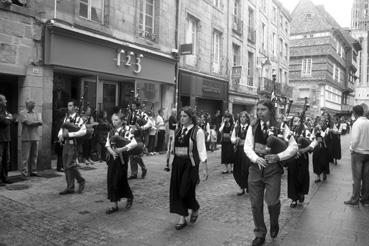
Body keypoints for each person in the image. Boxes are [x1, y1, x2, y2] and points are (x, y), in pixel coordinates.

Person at [244, 99, 298, 246]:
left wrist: (278, 156)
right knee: (255, 204)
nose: (259, 112)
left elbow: (293, 147)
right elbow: (247, 146)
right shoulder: (253, 126)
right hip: (255, 169)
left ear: (271, 111)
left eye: (263, 109)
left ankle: (274, 222)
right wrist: (255, 158)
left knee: (272, 202)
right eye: (258, 109)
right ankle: (260, 233)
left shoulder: (281, 126)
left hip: (273, 169)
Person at [169, 106, 208, 230]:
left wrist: (205, 168)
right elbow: (173, 148)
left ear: (191, 118)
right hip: (178, 163)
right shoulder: (178, 130)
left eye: (184, 116)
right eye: (180, 116)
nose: (181, 118)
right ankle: (182, 218)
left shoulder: (198, 131)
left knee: (184, 190)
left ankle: (194, 207)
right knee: (177, 189)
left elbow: (202, 150)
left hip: (190, 165)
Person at [105, 113, 137, 214]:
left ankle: (129, 196)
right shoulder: (111, 132)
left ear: (122, 121)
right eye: (113, 120)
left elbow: (134, 143)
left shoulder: (126, 131)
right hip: (112, 159)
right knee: (111, 180)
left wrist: (122, 149)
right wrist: (112, 152)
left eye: (116, 120)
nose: (114, 122)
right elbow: (107, 144)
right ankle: (114, 204)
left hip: (122, 160)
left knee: (120, 180)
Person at [287, 115, 317, 208]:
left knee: (301, 176)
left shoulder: (306, 130)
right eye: (294, 121)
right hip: (292, 158)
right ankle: (293, 199)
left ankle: (301, 193)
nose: (296, 123)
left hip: (302, 158)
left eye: (298, 121)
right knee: (292, 177)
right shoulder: (289, 131)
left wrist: (305, 149)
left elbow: (314, 141)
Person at [58, 99, 86, 195]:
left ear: (74, 107)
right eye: (68, 105)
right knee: (66, 166)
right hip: (66, 144)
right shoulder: (66, 117)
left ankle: (81, 180)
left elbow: (83, 131)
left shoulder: (79, 118)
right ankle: (70, 187)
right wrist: (60, 135)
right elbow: (62, 128)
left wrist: (70, 135)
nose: (68, 107)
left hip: (73, 144)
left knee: (70, 164)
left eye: (70, 105)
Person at [344, 105, 369, 206]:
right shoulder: (368, 122)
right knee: (366, 178)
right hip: (368, 153)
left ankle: (355, 199)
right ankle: (365, 199)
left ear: (354, 112)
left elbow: (355, 139)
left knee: (357, 178)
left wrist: (351, 148)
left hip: (358, 153)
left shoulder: (357, 124)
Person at [19, 99, 42, 178]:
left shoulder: (37, 112)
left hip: (35, 137)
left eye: (34, 103)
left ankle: (33, 171)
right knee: (25, 157)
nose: (34, 104)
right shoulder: (22, 113)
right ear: (27, 104)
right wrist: (36, 123)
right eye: (32, 103)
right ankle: (24, 173)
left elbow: (40, 122)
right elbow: (27, 123)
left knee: (35, 156)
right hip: (26, 137)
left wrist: (33, 123)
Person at [231, 111, 251, 195]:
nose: (242, 118)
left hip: (247, 151)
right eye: (241, 117)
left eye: (244, 117)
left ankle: (248, 186)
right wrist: (235, 140)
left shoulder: (250, 128)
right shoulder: (237, 128)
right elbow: (232, 138)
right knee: (238, 168)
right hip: (239, 150)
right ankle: (241, 187)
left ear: (247, 118)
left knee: (246, 168)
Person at [127, 101, 148, 179]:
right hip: (130, 135)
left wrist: (139, 126)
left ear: (137, 107)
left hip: (138, 136)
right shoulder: (130, 114)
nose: (133, 107)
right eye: (132, 106)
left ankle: (143, 167)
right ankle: (134, 173)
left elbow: (146, 123)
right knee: (131, 155)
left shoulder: (141, 114)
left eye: (134, 106)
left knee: (135, 155)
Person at [312, 112, 331, 183]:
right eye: (320, 121)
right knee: (316, 161)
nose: (321, 122)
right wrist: (315, 135)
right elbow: (313, 136)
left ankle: (324, 173)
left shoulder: (327, 129)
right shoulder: (316, 127)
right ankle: (318, 176)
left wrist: (321, 133)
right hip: (316, 147)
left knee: (323, 161)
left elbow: (326, 137)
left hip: (323, 147)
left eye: (322, 121)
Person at [0, 94, 13, 186]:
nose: (6, 101)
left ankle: (5, 177)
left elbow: (13, 118)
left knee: (6, 159)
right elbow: (5, 121)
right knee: (0, 160)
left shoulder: (5, 111)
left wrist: (9, 117)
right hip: (0, 139)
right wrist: (9, 118)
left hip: (6, 139)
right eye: (4, 100)